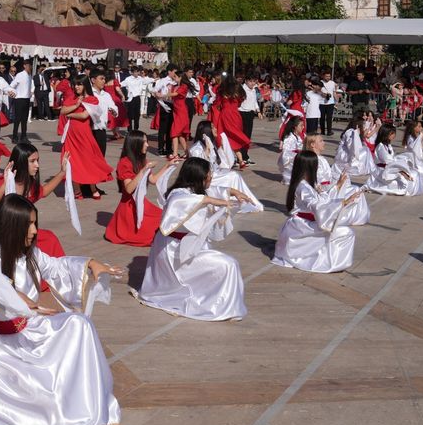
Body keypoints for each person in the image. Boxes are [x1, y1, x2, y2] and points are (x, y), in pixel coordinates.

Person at [0, 195, 123, 425]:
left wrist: (91, 264)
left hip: (29, 328)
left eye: (35, 223)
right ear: (12, 225)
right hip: (2, 347)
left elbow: (57, 266)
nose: (34, 230)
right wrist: (19, 297)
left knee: (80, 325)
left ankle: (83, 399)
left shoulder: (30, 256)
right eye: (28, 225)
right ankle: (66, 403)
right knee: (76, 327)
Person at [134, 156, 248, 321]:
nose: (211, 177)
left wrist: (232, 191)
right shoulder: (178, 194)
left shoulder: (193, 191)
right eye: (208, 174)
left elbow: (211, 190)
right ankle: (223, 307)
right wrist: (212, 200)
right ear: (199, 177)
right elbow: (185, 201)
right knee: (228, 264)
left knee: (226, 264)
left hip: (187, 247)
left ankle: (221, 303)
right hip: (173, 253)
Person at [273, 150, 363, 273]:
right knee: (347, 232)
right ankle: (332, 263)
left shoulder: (308, 184)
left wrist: (337, 186)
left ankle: (332, 259)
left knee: (343, 230)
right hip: (302, 225)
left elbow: (322, 201)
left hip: (307, 221)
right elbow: (315, 205)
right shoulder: (302, 187)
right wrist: (343, 203)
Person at [0, 143, 70, 263]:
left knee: (49, 239)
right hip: (5, 233)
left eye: (38, 160)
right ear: (21, 162)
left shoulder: (30, 184)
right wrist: (5, 183)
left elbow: (44, 191)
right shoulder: (4, 182)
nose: (37, 165)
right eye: (33, 161)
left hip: (24, 232)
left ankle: (57, 273)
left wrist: (62, 173)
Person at [104, 131, 176, 246]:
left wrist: (168, 165)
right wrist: (143, 170)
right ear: (136, 144)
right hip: (128, 206)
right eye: (145, 142)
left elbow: (153, 180)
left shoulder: (142, 160)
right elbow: (128, 189)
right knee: (150, 233)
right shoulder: (125, 163)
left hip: (140, 203)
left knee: (164, 218)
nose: (147, 145)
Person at [59, 77, 113, 199]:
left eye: (79, 84)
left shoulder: (92, 99)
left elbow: (84, 115)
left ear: (85, 85)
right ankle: (77, 190)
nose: (76, 87)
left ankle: (93, 188)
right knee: (72, 161)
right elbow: (63, 110)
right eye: (75, 85)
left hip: (84, 134)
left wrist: (70, 114)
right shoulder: (72, 98)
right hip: (71, 135)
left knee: (89, 160)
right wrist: (76, 105)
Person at [365, 123, 423, 196]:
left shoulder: (387, 145)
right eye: (392, 133)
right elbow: (388, 161)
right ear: (385, 134)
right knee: (408, 178)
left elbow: (392, 160)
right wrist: (401, 171)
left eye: (394, 133)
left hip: (390, 168)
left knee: (415, 173)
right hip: (383, 171)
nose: (394, 135)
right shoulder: (380, 147)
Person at [237, 75, 260, 164]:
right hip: (242, 113)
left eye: (254, 81)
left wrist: (258, 111)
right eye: (250, 81)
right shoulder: (242, 89)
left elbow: (254, 101)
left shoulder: (253, 90)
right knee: (242, 136)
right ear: (246, 81)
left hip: (250, 113)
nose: (252, 83)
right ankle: (240, 157)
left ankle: (245, 156)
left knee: (248, 136)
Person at [8, 60, 33, 142]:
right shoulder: (20, 75)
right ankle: (14, 136)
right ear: (24, 66)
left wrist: (30, 93)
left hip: (26, 99)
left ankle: (23, 136)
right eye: (29, 65)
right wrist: (14, 93)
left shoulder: (29, 75)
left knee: (24, 119)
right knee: (17, 119)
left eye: (31, 65)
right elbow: (12, 85)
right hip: (19, 99)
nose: (30, 67)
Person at [278, 115, 305, 184]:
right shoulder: (289, 138)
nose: (303, 127)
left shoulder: (297, 136)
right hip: (288, 161)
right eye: (301, 125)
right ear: (295, 127)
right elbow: (285, 154)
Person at [320, 71, 337, 135]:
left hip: (331, 102)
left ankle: (329, 131)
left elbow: (334, 92)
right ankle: (322, 131)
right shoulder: (320, 82)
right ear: (323, 76)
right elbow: (319, 92)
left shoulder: (332, 83)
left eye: (329, 76)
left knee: (329, 117)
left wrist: (336, 100)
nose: (328, 77)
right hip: (322, 102)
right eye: (326, 76)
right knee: (322, 117)